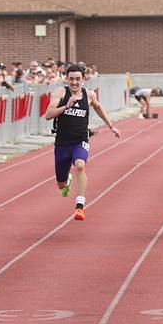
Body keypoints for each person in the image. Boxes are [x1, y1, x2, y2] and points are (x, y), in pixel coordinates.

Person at [45, 65, 120, 221]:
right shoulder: (61, 93)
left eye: (78, 79)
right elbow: (48, 115)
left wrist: (111, 126)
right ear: (66, 79)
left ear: (83, 79)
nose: (74, 82)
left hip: (80, 140)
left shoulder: (89, 95)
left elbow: (99, 108)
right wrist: (66, 106)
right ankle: (67, 181)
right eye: (71, 79)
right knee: (61, 184)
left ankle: (79, 207)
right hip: (62, 143)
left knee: (80, 165)